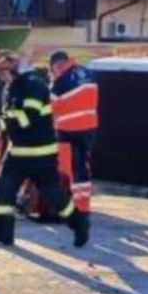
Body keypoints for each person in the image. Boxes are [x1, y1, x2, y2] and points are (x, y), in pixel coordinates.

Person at [0, 50, 89, 248]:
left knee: (53, 195)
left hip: (41, 154)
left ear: (13, 68)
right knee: (3, 191)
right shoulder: (11, 87)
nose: (0, 77)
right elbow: (13, 117)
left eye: (2, 73)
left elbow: (26, 118)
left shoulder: (34, 85)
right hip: (17, 152)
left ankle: (79, 223)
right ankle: (2, 235)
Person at [49, 50, 99, 215]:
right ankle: (83, 206)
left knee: (67, 168)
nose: (53, 72)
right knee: (82, 165)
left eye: (53, 69)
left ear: (58, 65)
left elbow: (50, 107)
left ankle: (70, 206)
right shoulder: (89, 73)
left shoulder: (61, 80)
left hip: (68, 129)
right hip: (90, 126)